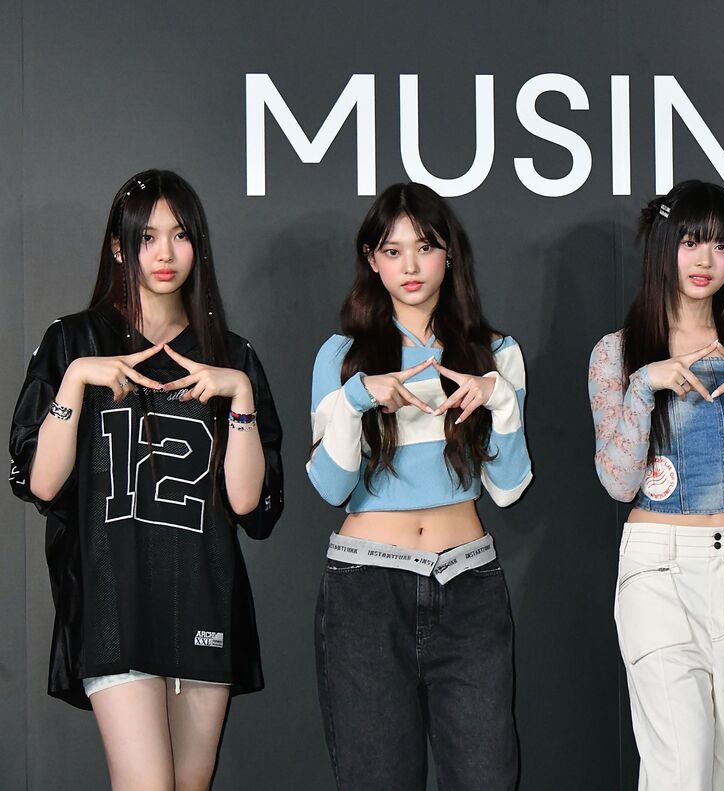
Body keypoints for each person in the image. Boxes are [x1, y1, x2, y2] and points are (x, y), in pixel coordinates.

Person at [9, 169, 283, 790]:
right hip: (115, 602)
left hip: (204, 595)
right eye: (147, 236)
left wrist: (240, 395)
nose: (164, 253)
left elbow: (249, 504)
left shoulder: (232, 356)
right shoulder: (74, 341)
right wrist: (75, 381)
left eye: (180, 235)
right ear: (118, 246)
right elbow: (41, 483)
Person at [308, 182, 531, 790]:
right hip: (365, 587)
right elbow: (330, 487)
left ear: (449, 254)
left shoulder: (496, 353)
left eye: (425, 247)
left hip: (468, 583)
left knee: (487, 778)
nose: (410, 265)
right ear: (372, 260)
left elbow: (509, 487)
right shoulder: (343, 356)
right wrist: (357, 398)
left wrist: (498, 399)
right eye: (392, 250)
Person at [588, 179, 724, 790]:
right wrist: (643, 386)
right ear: (664, 246)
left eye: (720, 244)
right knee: (676, 773)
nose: (705, 259)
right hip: (659, 569)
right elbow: (617, 481)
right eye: (690, 242)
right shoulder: (618, 353)